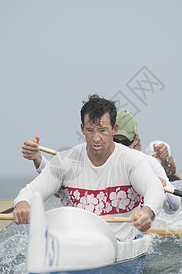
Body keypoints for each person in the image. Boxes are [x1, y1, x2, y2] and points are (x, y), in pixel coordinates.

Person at [13, 94, 165, 241]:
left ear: (114, 129)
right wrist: (23, 203)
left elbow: (154, 188)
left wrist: (147, 211)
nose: (96, 138)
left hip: (119, 245)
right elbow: (31, 190)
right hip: (74, 243)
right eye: (90, 130)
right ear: (82, 129)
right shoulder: (65, 161)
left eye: (103, 130)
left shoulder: (131, 160)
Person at [113, 111, 181, 214]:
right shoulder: (97, 161)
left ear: (135, 140)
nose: (121, 147)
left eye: (126, 142)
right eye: (115, 141)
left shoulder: (149, 162)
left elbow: (174, 207)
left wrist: (160, 185)